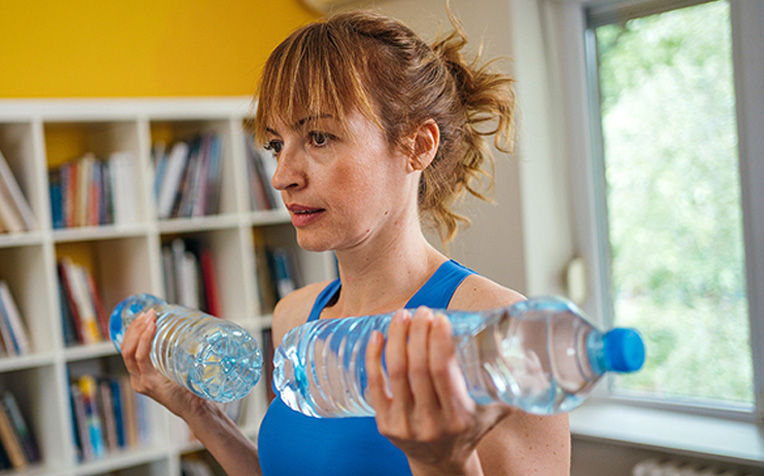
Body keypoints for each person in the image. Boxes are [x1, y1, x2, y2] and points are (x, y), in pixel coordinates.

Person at [120, 8, 571, 476]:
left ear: (418, 145)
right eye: (276, 144)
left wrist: (445, 464)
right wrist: (201, 414)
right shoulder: (294, 316)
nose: (281, 176)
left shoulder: (502, 335)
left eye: (318, 137)